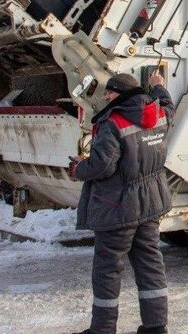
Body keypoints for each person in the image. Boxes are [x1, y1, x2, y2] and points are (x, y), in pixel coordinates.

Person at [70, 70, 174, 334]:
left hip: (118, 208)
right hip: (150, 204)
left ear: (120, 93)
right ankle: (155, 327)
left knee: (107, 270)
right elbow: (169, 106)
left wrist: (78, 168)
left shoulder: (113, 123)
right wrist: (158, 87)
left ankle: (102, 329)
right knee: (150, 264)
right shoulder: (157, 114)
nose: (106, 96)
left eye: (110, 91)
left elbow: (102, 166)